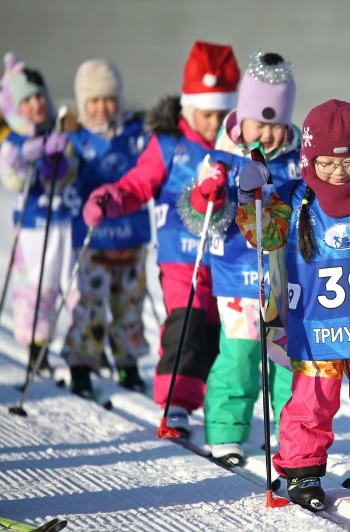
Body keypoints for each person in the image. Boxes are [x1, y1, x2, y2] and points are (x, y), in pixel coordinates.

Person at [235, 99, 350, 511]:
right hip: (314, 327)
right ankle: (303, 470)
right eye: (326, 163)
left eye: (349, 162)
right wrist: (249, 198)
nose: (338, 172)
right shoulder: (294, 197)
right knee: (310, 403)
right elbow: (262, 237)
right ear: (308, 157)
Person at [81, 41, 240, 434]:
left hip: (228, 258)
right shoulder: (170, 144)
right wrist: (109, 198)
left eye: (222, 114)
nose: (213, 122)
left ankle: (220, 406)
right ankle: (175, 404)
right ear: (189, 109)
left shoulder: (235, 145)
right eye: (206, 114)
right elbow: (136, 185)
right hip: (180, 256)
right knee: (187, 322)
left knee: (224, 335)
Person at [177, 51, 299, 464]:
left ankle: (290, 433)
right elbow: (198, 218)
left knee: (287, 362)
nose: (266, 133)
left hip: (285, 283)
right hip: (238, 281)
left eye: (275, 125)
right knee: (239, 357)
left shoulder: (297, 166)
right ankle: (227, 430)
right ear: (240, 120)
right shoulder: (221, 161)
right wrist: (206, 194)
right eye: (258, 123)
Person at [60, 59, 151, 397]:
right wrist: (57, 159)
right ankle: (82, 363)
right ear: (83, 102)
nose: (102, 107)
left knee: (129, 301)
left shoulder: (136, 133)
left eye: (109, 98)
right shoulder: (76, 137)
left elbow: (152, 168)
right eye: (94, 100)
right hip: (93, 239)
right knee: (90, 302)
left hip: (131, 235)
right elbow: (61, 176)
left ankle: (127, 362)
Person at [0, 51, 76, 376]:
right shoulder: (13, 140)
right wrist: (23, 159)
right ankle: (36, 346)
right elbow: (13, 180)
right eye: (26, 100)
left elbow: (66, 175)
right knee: (37, 287)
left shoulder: (56, 135)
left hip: (62, 223)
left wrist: (57, 159)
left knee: (67, 285)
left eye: (38, 97)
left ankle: (79, 350)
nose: (36, 105)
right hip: (33, 226)